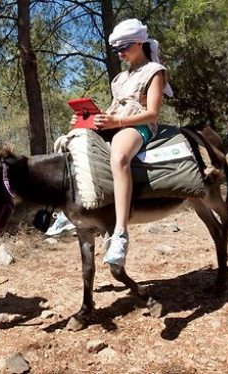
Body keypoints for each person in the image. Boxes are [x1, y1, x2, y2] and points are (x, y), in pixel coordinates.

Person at [71, 19, 173, 267]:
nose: (120, 53)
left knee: (118, 157)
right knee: (71, 143)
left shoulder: (154, 71)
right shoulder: (118, 80)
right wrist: (89, 118)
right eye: (116, 49)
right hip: (116, 122)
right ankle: (73, 208)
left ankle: (120, 233)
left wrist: (116, 123)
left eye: (124, 46)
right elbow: (113, 110)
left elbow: (152, 114)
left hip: (138, 125)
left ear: (140, 42)